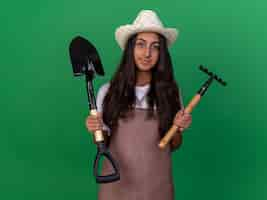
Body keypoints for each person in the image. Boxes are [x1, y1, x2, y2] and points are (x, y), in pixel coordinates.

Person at [86, 10, 192, 200]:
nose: (147, 53)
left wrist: (177, 127)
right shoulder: (108, 92)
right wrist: (95, 130)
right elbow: (102, 143)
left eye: (155, 47)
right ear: (130, 49)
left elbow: (174, 144)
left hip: (157, 188)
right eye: (141, 45)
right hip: (116, 186)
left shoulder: (171, 93)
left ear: (162, 53)